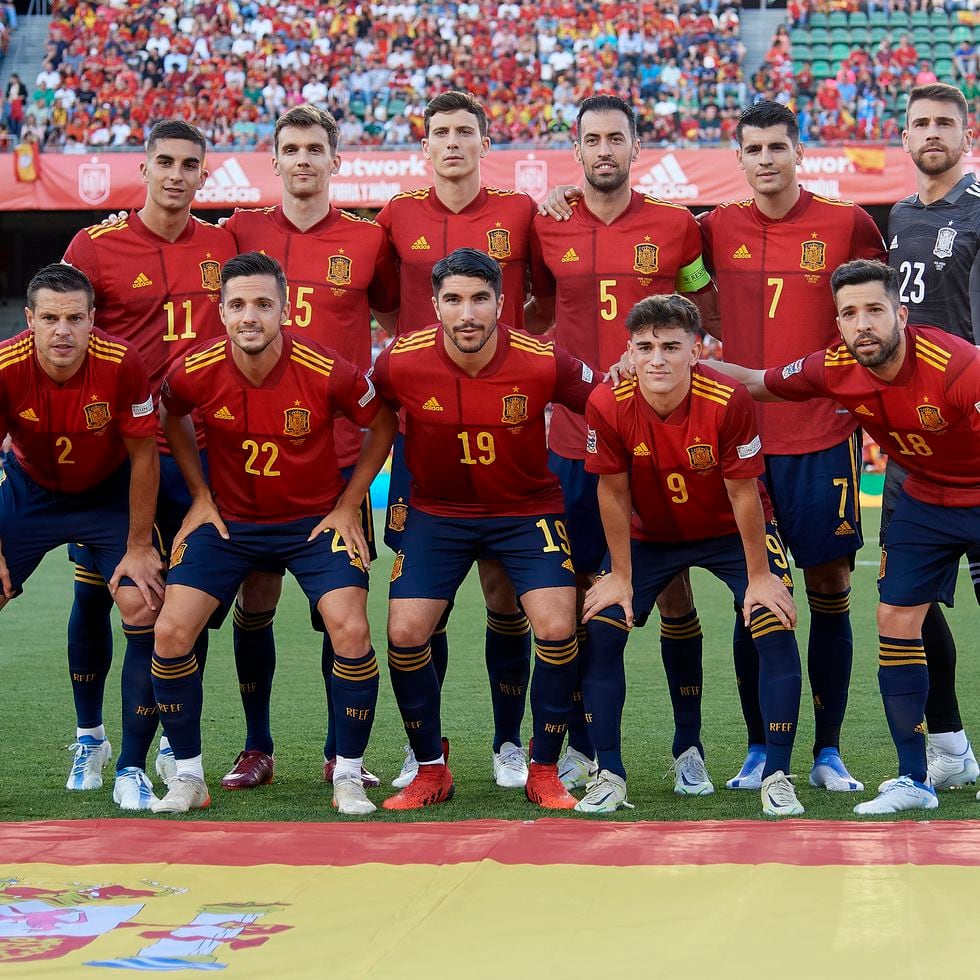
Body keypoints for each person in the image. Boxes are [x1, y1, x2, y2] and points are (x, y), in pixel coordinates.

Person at [715, 258, 980, 814]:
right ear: (837, 324)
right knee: (894, 620)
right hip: (927, 500)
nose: (863, 325)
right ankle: (916, 779)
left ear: (901, 315)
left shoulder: (958, 366)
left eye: (875, 311)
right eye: (850, 314)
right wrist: (688, 363)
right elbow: (759, 384)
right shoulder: (834, 366)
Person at [152, 251, 396, 815]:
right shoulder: (193, 369)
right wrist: (200, 495)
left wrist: (348, 505)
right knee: (169, 633)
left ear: (286, 309)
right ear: (221, 310)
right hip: (231, 523)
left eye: (264, 304)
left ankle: (349, 775)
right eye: (237, 305)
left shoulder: (326, 368)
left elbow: (382, 421)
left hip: (312, 523)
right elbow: (172, 415)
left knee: (350, 631)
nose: (250, 316)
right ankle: (188, 778)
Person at [526, 93, 721, 795]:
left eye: (616, 139)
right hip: (576, 439)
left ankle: (688, 745)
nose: (604, 150)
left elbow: (704, 303)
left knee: (673, 595)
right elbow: (538, 309)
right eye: (592, 140)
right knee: (583, 594)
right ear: (574, 150)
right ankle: (580, 744)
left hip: (665, 441)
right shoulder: (543, 225)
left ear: (636, 147)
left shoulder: (676, 228)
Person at [699, 100, 886, 792]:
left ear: (798, 150)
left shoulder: (848, 223)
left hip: (824, 435)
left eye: (778, 145)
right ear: (739, 158)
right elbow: (683, 288)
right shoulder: (713, 230)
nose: (767, 158)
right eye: (754, 148)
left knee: (829, 586)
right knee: (757, 594)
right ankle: (756, 747)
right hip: (742, 444)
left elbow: (877, 312)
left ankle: (828, 751)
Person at [371, 247, 597, 811]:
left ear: (502, 303)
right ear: (435, 305)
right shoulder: (400, 359)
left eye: (479, 299)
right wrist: (350, 497)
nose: (466, 313)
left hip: (525, 510)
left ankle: (543, 768)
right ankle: (430, 768)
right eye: (453, 300)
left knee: (554, 625)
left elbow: (608, 405)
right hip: (438, 513)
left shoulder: (543, 360)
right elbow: (374, 419)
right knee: (405, 633)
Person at [220, 103, 399, 792]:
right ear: (274, 158)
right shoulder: (238, 231)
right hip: (252, 454)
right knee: (255, 595)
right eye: (290, 148)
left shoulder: (366, 239)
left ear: (335, 161)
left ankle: (338, 751)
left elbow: (391, 312)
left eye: (314, 148)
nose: (302, 159)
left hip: (339, 458)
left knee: (341, 610)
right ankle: (255, 746)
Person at [376, 91, 547, 790]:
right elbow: (383, 301)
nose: (452, 143)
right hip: (426, 435)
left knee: (506, 593)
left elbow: (547, 290)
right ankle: (428, 749)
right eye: (439, 132)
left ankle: (510, 743)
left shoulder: (522, 213)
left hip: (505, 426)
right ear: (426, 146)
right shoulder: (398, 214)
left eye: (464, 133)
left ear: (485, 142)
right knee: (426, 600)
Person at [62, 120, 236, 808]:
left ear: (203, 173)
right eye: (163, 161)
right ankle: (88, 734)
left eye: (188, 164)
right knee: (93, 593)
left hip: (199, 454)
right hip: (117, 455)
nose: (175, 174)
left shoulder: (225, 244)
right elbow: (61, 329)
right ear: (144, 166)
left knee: (179, 604)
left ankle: (170, 734)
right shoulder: (95, 245)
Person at [579, 294, 803, 816]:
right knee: (603, 625)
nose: (657, 359)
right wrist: (620, 576)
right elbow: (612, 493)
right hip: (650, 533)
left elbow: (744, 494)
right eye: (645, 347)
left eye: (671, 347)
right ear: (630, 352)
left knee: (773, 619)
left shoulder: (726, 399)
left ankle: (777, 775)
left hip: (729, 529)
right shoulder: (607, 401)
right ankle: (610, 772)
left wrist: (759, 577)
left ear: (697, 351)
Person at [0, 264, 163, 803]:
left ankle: (132, 768)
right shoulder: (5, 365)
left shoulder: (122, 363)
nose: (62, 330)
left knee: (142, 605)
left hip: (106, 495)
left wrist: (140, 546)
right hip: (32, 492)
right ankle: (89, 740)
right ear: (29, 320)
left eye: (75, 317)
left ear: (94, 320)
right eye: (49, 318)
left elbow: (144, 457)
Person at [885, 82, 980, 789]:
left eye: (945, 121)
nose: (932, 133)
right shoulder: (899, 214)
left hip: (974, 440)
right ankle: (948, 746)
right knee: (909, 606)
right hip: (912, 449)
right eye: (921, 123)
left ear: (966, 132)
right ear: (905, 136)